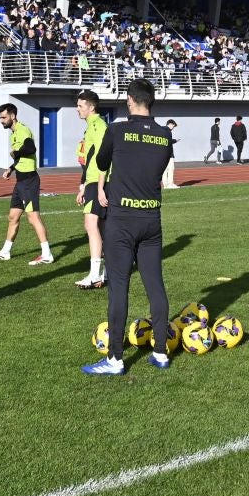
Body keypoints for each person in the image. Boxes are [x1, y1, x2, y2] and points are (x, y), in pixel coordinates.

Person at [82, 78, 176, 376]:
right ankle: (161, 352)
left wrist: (102, 185)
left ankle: (115, 359)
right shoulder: (164, 135)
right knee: (155, 284)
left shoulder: (118, 129)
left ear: (129, 100)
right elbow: (156, 168)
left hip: (122, 219)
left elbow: (101, 160)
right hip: (151, 219)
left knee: (119, 287)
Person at [0, 103, 54, 265]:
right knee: (13, 216)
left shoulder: (22, 130)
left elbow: (30, 148)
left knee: (33, 217)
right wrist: (11, 168)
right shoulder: (13, 133)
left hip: (29, 181)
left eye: (3, 117)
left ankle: (47, 254)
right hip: (20, 181)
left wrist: (15, 152)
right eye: (0, 118)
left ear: (13, 116)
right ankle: (5, 252)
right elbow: (21, 158)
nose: (1, 121)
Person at [74, 90, 110, 290]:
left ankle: (95, 274)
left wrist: (99, 187)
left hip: (98, 182)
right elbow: (89, 159)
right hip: (92, 182)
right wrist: (83, 186)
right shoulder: (91, 127)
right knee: (102, 228)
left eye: (80, 106)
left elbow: (103, 157)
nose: (77, 109)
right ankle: (106, 272)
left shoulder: (99, 125)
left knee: (91, 225)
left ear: (91, 107)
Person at [163, 118, 181, 189]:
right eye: (173, 126)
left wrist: (174, 140)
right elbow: (168, 141)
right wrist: (175, 140)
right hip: (169, 154)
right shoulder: (168, 131)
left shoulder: (162, 130)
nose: (173, 128)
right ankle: (170, 184)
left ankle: (165, 185)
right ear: (170, 124)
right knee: (171, 168)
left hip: (163, 154)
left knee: (165, 170)